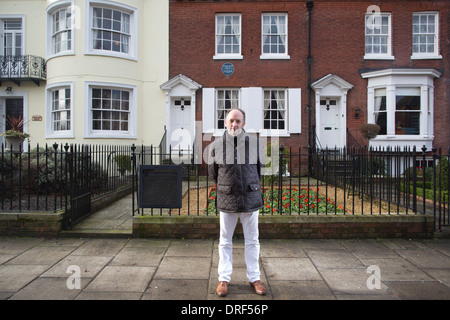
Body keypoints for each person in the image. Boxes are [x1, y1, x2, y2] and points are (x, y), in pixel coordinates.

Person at [207, 108, 266, 297]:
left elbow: (259, 170)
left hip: (250, 196)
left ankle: (254, 278)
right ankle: (223, 279)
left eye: (238, 121)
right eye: (231, 120)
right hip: (227, 197)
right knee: (225, 241)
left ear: (244, 123)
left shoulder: (255, 144)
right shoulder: (215, 146)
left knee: (252, 240)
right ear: (225, 123)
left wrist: (250, 185)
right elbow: (213, 173)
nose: (234, 124)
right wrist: (226, 186)